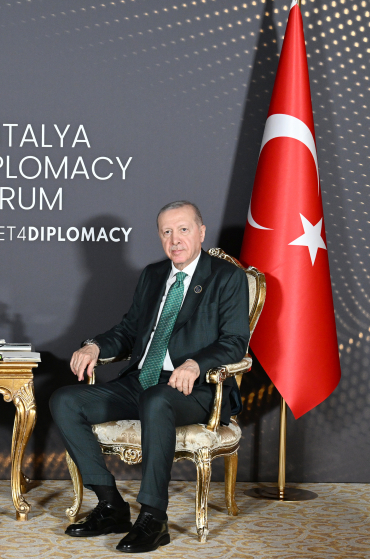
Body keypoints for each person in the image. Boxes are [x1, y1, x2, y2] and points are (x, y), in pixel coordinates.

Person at [49, 201, 249, 553]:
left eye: (183, 229)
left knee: (156, 400)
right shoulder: (153, 275)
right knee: (65, 400)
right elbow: (129, 331)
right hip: (142, 380)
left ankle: (154, 518)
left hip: (195, 388)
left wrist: (196, 364)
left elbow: (234, 341)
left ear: (201, 232)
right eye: (166, 231)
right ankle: (111, 505)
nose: (175, 239)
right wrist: (95, 346)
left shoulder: (226, 277)